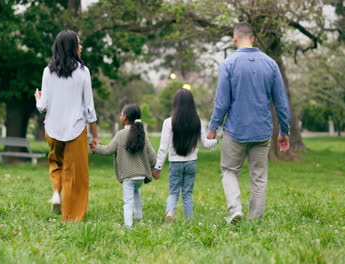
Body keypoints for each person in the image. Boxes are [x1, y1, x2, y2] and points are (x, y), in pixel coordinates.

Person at [207, 22, 291, 224]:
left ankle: (235, 209)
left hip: (235, 130)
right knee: (259, 177)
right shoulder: (271, 64)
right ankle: (255, 219)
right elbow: (281, 102)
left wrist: (213, 127)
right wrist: (284, 130)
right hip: (262, 131)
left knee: (229, 171)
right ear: (252, 38)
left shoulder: (228, 64)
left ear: (235, 39)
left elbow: (222, 103)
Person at [34, 30, 98, 222]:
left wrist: (37, 98)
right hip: (75, 130)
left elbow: (43, 106)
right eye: (78, 44)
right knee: (76, 175)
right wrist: (95, 135)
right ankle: (72, 216)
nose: (81, 47)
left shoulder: (48, 71)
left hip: (52, 129)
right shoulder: (83, 72)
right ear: (71, 47)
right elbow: (89, 108)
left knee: (56, 163)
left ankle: (56, 192)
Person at [152, 88, 218, 222]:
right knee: (187, 194)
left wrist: (157, 168)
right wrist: (216, 140)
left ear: (175, 104)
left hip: (175, 163)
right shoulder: (197, 121)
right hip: (191, 163)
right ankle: (189, 221)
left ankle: (170, 211)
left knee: (173, 192)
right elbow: (205, 143)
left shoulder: (168, 122)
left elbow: (163, 148)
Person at [90, 104, 156, 227]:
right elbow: (152, 155)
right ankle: (139, 218)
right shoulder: (142, 134)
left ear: (124, 117)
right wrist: (152, 166)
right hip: (141, 176)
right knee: (136, 194)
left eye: (121, 114)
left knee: (128, 201)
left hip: (128, 175)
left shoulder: (121, 135)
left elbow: (108, 150)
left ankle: (128, 226)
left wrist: (96, 148)